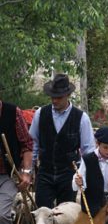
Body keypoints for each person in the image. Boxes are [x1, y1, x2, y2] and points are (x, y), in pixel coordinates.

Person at [29, 74, 95, 208]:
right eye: (53, 97)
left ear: (67, 96)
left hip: (68, 174)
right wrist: (29, 169)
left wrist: (83, 174)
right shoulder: (40, 114)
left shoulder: (81, 118)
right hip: (45, 172)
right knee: (41, 213)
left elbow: (88, 151)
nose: (54, 100)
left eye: (58, 97)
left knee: (65, 214)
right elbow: (33, 143)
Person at [0, 99, 33, 224]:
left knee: (2, 215)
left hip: (8, 174)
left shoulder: (13, 112)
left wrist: (26, 172)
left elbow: (27, 144)